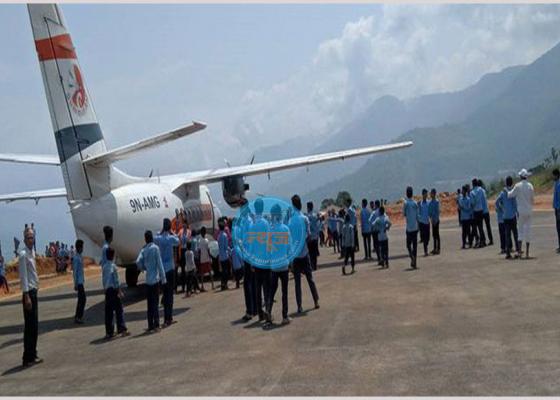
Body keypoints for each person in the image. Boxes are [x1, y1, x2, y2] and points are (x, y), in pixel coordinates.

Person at [290, 194, 320, 313]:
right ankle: (316, 300)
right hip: (304, 253)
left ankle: (299, 306)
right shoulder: (304, 218)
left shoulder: (291, 220)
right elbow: (309, 236)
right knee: (310, 279)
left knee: (297, 282)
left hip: (296, 256)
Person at [19, 227, 42, 367]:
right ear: (24, 239)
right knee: (29, 327)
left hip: (34, 292)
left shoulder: (32, 253)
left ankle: (33, 354)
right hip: (29, 294)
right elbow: (24, 277)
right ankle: (27, 358)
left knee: (34, 326)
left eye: (32, 237)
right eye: (28, 237)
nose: (30, 240)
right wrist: (26, 295)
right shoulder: (23, 255)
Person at [136, 230, 167, 332]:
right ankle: (156, 324)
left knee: (149, 304)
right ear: (152, 238)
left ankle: (150, 325)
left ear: (145, 239)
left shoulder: (144, 250)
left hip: (148, 280)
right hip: (155, 280)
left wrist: (143, 268)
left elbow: (138, 262)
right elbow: (160, 264)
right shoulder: (155, 248)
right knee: (156, 303)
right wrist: (163, 279)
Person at [267, 203, 292, 326]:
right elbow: (289, 248)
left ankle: (268, 312)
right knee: (284, 292)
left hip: (274, 266)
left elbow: (268, 249)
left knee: (272, 291)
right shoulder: (285, 229)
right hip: (284, 265)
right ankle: (285, 316)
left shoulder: (270, 231)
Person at [155, 218, 180, 327]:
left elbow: (155, 237)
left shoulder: (159, 238)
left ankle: (166, 318)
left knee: (165, 294)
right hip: (170, 269)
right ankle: (169, 318)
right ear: (169, 227)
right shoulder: (171, 238)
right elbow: (178, 241)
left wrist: (161, 231)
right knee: (170, 295)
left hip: (162, 270)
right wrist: (172, 232)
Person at [102, 247, 129, 339]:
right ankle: (122, 329)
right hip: (114, 290)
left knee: (109, 312)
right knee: (119, 310)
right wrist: (119, 291)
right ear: (113, 256)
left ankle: (109, 332)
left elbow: (104, 280)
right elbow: (116, 280)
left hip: (107, 291)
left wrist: (105, 289)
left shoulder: (104, 267)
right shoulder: (113, 267)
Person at [508, 169, 535, 259]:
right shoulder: (530, 186)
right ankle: (527, 253)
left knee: (520, 231)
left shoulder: (518, 186)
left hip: (521, 211)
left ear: (520, 176)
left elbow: (510, 195)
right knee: (528, 230)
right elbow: (532, 199)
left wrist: (506, 190)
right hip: (529, 210)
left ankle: (519, 252)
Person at [498, 176, 520, 259]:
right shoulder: (512, 192)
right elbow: (515, 203)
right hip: (512, 216)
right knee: (515, 234)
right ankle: (518, 250)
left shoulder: (502, 192)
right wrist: (517, 212)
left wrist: (502, 208)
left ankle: (508, 252)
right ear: (512, 183)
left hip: (505, 216)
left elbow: (497, 202)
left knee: (507, 235)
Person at [403, 186, 419, 269]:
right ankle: (415, 262)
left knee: (408, 245)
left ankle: (412, 256)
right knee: (415, 245)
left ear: (406, 193)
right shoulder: (415, 203)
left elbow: (404, 214)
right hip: (415, 226)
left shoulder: (405, 203)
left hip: (409, 227)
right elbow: (417, 216)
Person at [72, 239, 86, 324]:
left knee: (81, 299)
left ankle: (78, 316)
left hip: (81, 281)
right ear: (79, 248)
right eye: (82, 247)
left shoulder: (80, 257)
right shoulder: (76, 258)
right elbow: (75, 272)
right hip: (79, 282)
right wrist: (75, 283)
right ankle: (78, 316)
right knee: (82, 299)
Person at [471, 179, 487, 248]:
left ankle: (480, 241)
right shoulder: (481, 190)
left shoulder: (472, 192)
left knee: (476, 227)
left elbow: (472, 203)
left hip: (475, 211)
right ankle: (483, 241)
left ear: (473, 184)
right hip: (481, 210)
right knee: (481, 227)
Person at [306, 201, 321, 271]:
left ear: (308, 208)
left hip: (309, 237)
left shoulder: (307, 217)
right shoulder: (315, 216)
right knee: (314, 252)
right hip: (315, 236)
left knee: (310, 252)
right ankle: (314, 266)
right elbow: (318, 226)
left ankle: (312, 266)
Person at [479, 179, 494, 246]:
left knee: (481, 227)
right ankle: (491, 239)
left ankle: (483, 240)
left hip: (481, 211)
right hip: (486, 210)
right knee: (488, 226)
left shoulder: (479, 191)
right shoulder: (483, 191)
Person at [176, 222, 190, 293]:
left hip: (187, 250)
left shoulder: (189, 231)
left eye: (185, 224)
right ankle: (183, 287)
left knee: (189, 268)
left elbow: (189, 240)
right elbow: (177, 237)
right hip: (182, 250)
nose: (184, 225)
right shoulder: (180, 231)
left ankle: (189, 286)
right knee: (183, 270)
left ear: (187, 225)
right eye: (183, 224)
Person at [197, 226, 212, 292]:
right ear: (205, 233)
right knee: (209, 271)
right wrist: (210, 257)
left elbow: (199, 251)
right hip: (207, 258)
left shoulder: (199, 241)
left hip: (202, 258)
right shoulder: (206, 240)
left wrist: (199, 258)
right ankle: (212, 285)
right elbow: (208, 250)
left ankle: (202, 286)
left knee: (202, 273)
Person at [218, 220, 231, 291]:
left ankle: (222, 284)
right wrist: (230, 250)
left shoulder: (219, 236)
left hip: (220, 256)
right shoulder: (225, 235)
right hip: (225, 255)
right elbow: (226, 247)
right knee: (226, 271)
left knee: (223, 271)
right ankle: (225, 284)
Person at [417, 189, 431, 257]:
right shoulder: (420, 203)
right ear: (422, 195)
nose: (426, 195)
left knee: (428, 238)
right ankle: (426, 251)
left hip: (427, 222)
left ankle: (426, 246)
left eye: (426, 194)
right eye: (425, 194)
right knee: (424, 238)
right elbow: (418, 212)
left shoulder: (429, 202)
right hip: (422, 222)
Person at [429, 188, 441, 255]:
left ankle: (438, 249)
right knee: (434, 235)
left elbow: (438, 212)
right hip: (433, 220)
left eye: (431, 193)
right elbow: (430, 212)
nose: (431, 194)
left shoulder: (437, 202)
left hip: (436, 220)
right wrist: (431, 219)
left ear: (434, 194)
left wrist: (435, 220)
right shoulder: (430, 202)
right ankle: (434, 248)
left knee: (437, 235)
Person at [553, 168, 560, 253]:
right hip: (557, 208)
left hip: (559, 209)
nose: (553, 177)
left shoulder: (558, 184)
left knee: (559, 227)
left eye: (554, 175)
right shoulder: (556, 183)